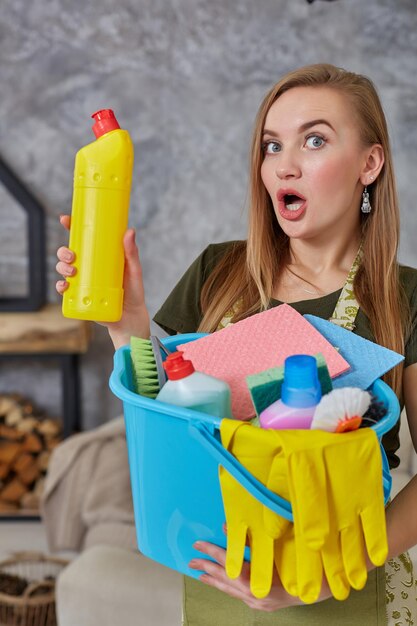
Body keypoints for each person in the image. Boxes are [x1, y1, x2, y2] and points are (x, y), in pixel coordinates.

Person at [56, 63, 417, 625]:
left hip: (345, 585)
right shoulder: (219, 271)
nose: (284, 165)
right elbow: (164, 410)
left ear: (369, 164)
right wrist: (126, 323)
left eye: (314, 140)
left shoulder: (406, 298)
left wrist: (318, 580)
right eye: (272, 146)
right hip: (218, 574)